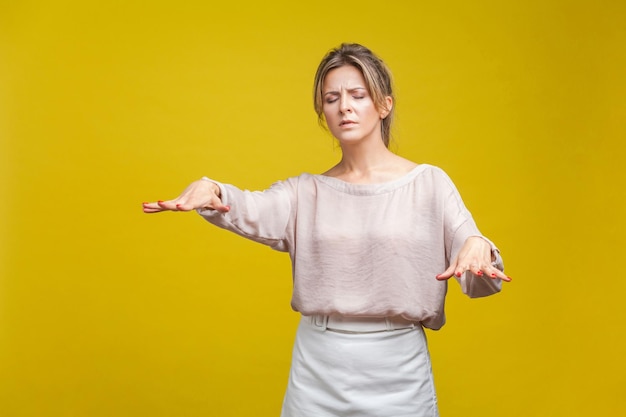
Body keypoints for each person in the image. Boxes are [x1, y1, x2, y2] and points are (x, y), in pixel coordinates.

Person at [143, 43, 511, 417]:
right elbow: (252, 206)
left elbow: (477, 266)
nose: (344, 107)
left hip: (398, 367)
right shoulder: (306, 192)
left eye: (357, 95)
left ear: (384, 105)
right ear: (323, 111)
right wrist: (214, 191)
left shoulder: (429, 183)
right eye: (331, 98)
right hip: (318, 368)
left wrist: (478, 246)